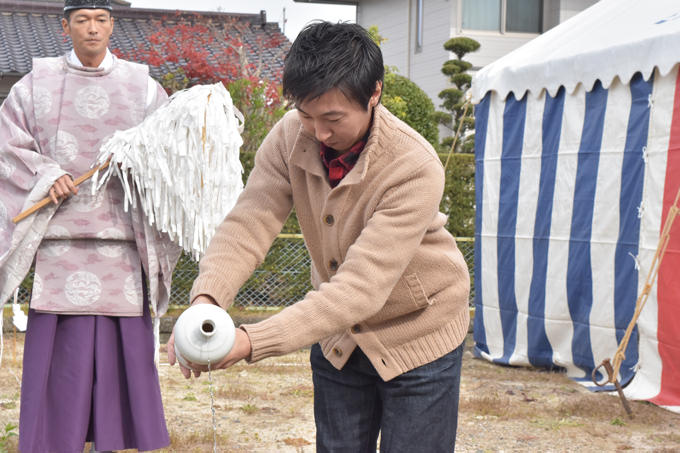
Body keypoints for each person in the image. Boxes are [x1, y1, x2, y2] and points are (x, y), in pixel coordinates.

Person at [168, 21, 470, 452]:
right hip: (339, 337)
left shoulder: (413, 165)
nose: (319, 133)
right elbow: (249, 222)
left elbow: (360, 289)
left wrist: (252, 341)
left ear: (374, 95)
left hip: (417, 330)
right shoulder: (291, 137)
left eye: (332, 119)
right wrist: (206, 303)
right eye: (306, 115)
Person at [0, 0, 181, 451]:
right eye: (82, 19)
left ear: (112, 24)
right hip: (58, 240)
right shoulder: (34, 85)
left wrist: (138, 161)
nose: (92, 28)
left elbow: (169, 152)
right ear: (66, 26)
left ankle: (119, 438)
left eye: (101, 19)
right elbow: (8, 145)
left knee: (123, 358)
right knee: (61, 360)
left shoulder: (143, 87)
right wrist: (47, 175)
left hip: (122, 242)